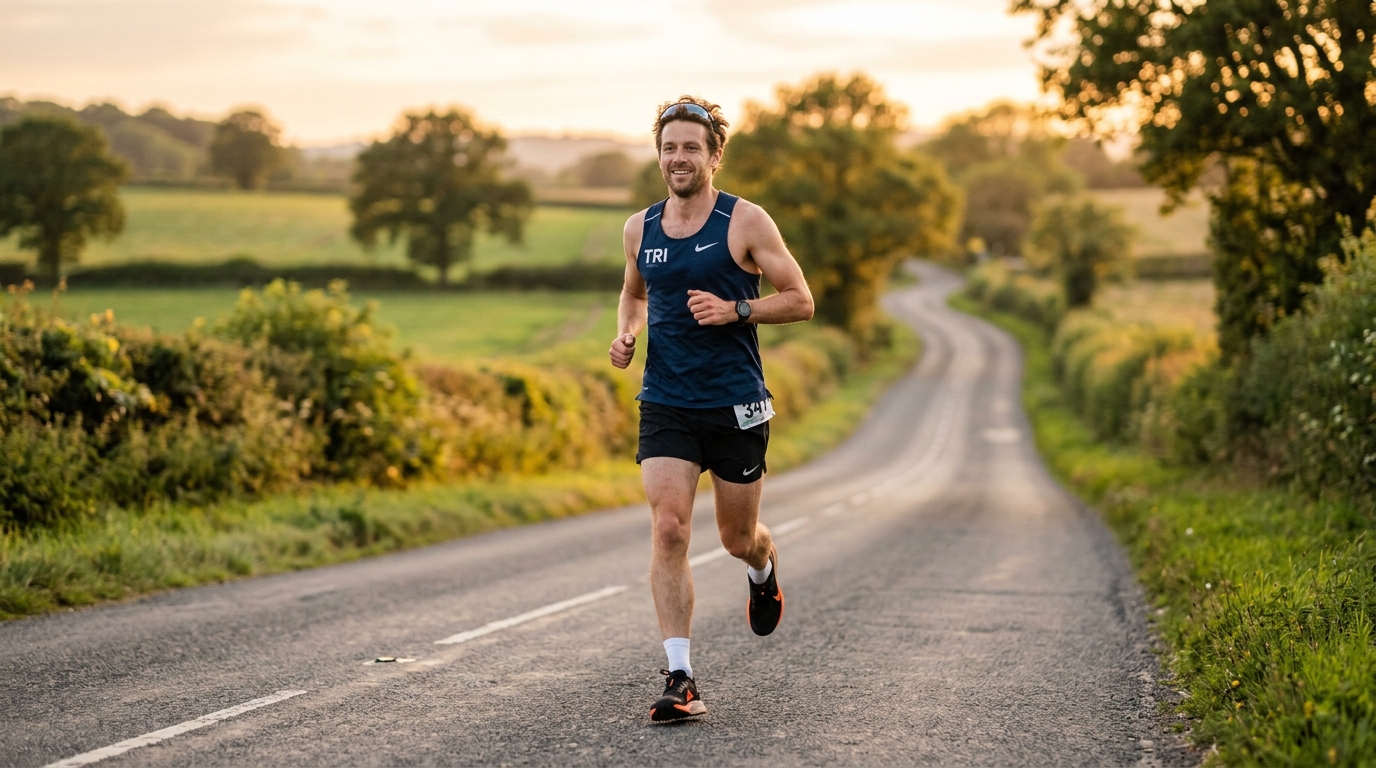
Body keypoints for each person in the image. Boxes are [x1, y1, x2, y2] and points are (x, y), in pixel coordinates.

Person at [609, 96, 814, 722]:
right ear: (659, 154)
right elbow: (633, 292)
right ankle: (680, 677)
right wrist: (627, 332)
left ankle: (764, 564)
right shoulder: (639, 227)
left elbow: (801, 300)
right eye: (669, 147)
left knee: (735, 538)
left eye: (691, 148)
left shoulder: (745, 222)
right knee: (669, 528)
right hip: (666, 400)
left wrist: (738, 310)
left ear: (714, 155)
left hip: (735, 402)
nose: (678, 158)